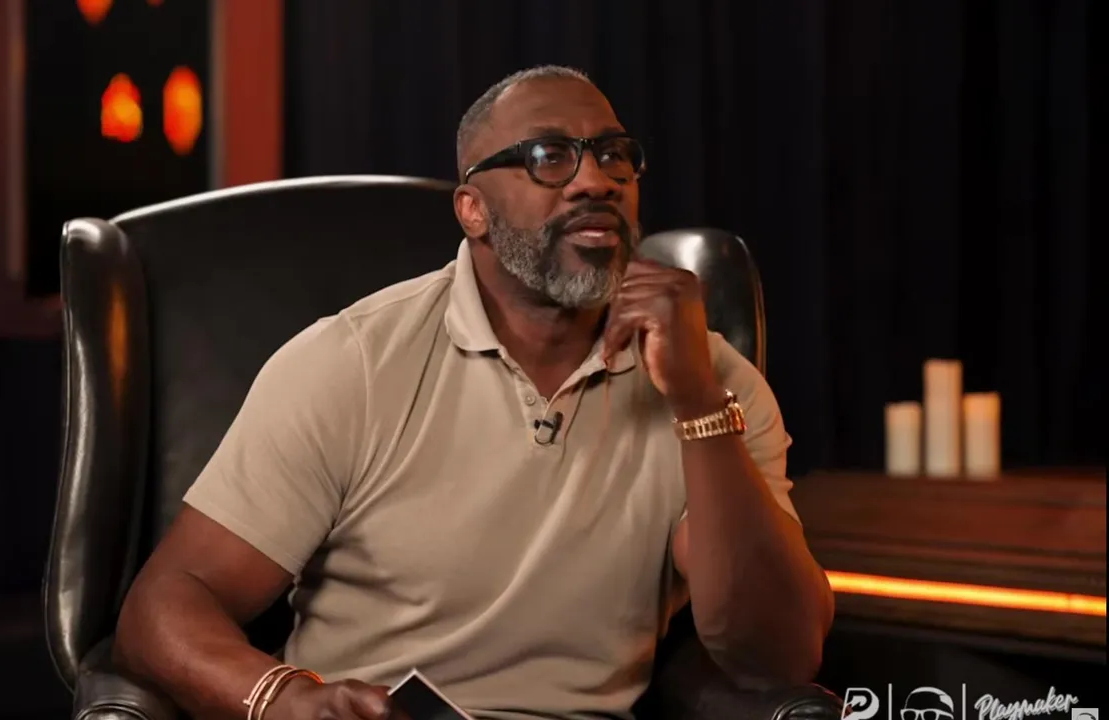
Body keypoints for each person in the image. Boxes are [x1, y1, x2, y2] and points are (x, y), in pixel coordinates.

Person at [112, 65, 834, 720]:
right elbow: (165, 605)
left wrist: (699, 405)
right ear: (472, 210)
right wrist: (283, 699)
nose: (596, 180)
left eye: (615, 155)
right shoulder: (352, 363)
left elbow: (776, 654)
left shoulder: (714, 383)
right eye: (549, 156)